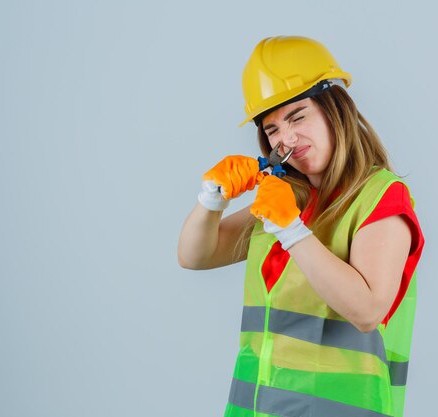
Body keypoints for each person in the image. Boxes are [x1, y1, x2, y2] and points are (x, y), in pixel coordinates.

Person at [177, 36, 424, 417]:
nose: (287, 138)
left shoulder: (380, 197)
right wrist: (212, 199)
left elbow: (367, 310)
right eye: (272, 129)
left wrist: (291, 230)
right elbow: (196, 256)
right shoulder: (286, 200)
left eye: (298, 116)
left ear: (335, 110)